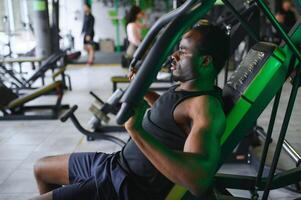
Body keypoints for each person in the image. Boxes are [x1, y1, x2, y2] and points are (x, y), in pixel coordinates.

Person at [31, 23, 229, 200]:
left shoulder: (205, 107)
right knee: (41, 168)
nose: (174, 56)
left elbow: (198, 180)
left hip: (123, 186)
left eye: (183, 52)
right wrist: (146, 93)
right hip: (114, 164)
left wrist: (137, 131)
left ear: (205, 62)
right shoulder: (188, 89)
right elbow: (169, 116)